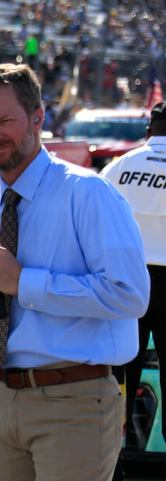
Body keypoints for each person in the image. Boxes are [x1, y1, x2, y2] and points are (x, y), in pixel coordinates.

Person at [0, 64, 149, 481]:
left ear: (38, 118)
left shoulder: (87, 194)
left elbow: (131, 294)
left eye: (5, 121)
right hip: (4, 405)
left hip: (75, 399)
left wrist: (28, 282)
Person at [101, 101, 166, 447]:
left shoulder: (120, 166)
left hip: (127, 283)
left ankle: (111, 474)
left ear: (149, 130)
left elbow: (92, 219)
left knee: (119, 381)